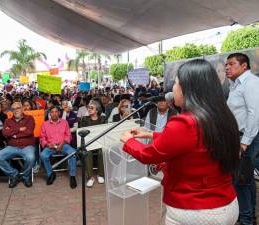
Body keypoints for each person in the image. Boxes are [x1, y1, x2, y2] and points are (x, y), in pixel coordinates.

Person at [120, 59, 240, 225]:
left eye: (175, 83)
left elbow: (150, 154)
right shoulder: (222, 115)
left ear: (188, 89)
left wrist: (128, 141)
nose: (172, 89)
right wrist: (150, 135)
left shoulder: (185, 123)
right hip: (227, 204)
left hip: (196, 209)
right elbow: (193, 143)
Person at [226, 53, 259, 225]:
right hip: (239, 137)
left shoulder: (251, 83)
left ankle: (246, 219)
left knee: (240, 181)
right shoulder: (235, 84)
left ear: (244, 66)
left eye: (232, 64)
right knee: (246, 180)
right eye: (226, 64)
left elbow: (255, 114)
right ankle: (249, 216)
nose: (227, 67)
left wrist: (244, 142)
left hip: (247, 138)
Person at [0, 102, 36, 188]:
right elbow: (5, 133)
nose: (16, 110)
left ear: (22, 108)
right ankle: (14, 174)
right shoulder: (7, 121)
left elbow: (29, 132)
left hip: (27, 146)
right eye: (13, 109)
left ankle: (25, 176)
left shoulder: (29, 118)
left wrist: (13, 133)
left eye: (18, 108)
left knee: (31, 158)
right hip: (12, 146)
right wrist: (20, 129)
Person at [39, 106, 77, 189]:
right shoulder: (45, 124)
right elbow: (42, 138)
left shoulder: (64, 122)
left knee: (73, 153)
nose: (54, 114)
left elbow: (68, 135)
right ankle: (50, 174)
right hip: (51, 146)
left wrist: (62, 144)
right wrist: (47, 144)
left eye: (56, 111)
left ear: (59, 113)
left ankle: (72, 176)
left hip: (63, 145)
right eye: (52, 112)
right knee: (43, 155)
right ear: (49, 114)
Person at [79, 100, 107, 187]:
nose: (89, 109)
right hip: (89, 143)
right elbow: (81, 132)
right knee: (87, 152)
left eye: (92, 108)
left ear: (97, 110)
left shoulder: (103, 119)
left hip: (100, 142)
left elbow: (105, 131)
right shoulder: (84, 119)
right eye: (89, 108)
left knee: (101, 152)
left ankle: (101, 175)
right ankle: (90, 177)